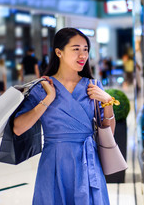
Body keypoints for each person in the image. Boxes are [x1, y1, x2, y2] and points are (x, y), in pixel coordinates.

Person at [13, 28, 116, 204]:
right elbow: (18, 128)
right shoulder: (42, 87)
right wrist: (48, 98)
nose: (82, 54)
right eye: (76, 49)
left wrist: (107, 102)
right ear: (59, 52)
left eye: (85, 49)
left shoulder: (93, 86)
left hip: (88, 161)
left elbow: (108, 134)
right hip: (55, 162)